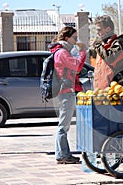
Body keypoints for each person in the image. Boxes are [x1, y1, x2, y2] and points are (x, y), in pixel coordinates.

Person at [48, 26, 86, 164]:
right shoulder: (62, 52)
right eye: (74, 38)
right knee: (64, 126)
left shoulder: (60, 51)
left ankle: (63, 154)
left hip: (64, 91)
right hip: (65, 92)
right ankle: (63, 155)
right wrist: (83, 52)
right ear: (66, 38)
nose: (76, 40)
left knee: (63, 125)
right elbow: (76, 67)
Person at [93, 15, 123, 89]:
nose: (97, 33)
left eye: (99, 30)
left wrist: (97, 45)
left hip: (113, 90)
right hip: (100, 89)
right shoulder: (103, 45)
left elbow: (109, 59)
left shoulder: (117, 44)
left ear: (108, 29)